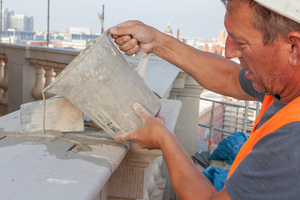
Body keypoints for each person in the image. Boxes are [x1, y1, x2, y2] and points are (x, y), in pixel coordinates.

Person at [110, 0, 300, 199]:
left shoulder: (293, 142)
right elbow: (228, 77)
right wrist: (155, 41)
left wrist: (164, 139)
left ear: (294, 47)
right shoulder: (283, 82)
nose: (229, 52)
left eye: (241, 43)